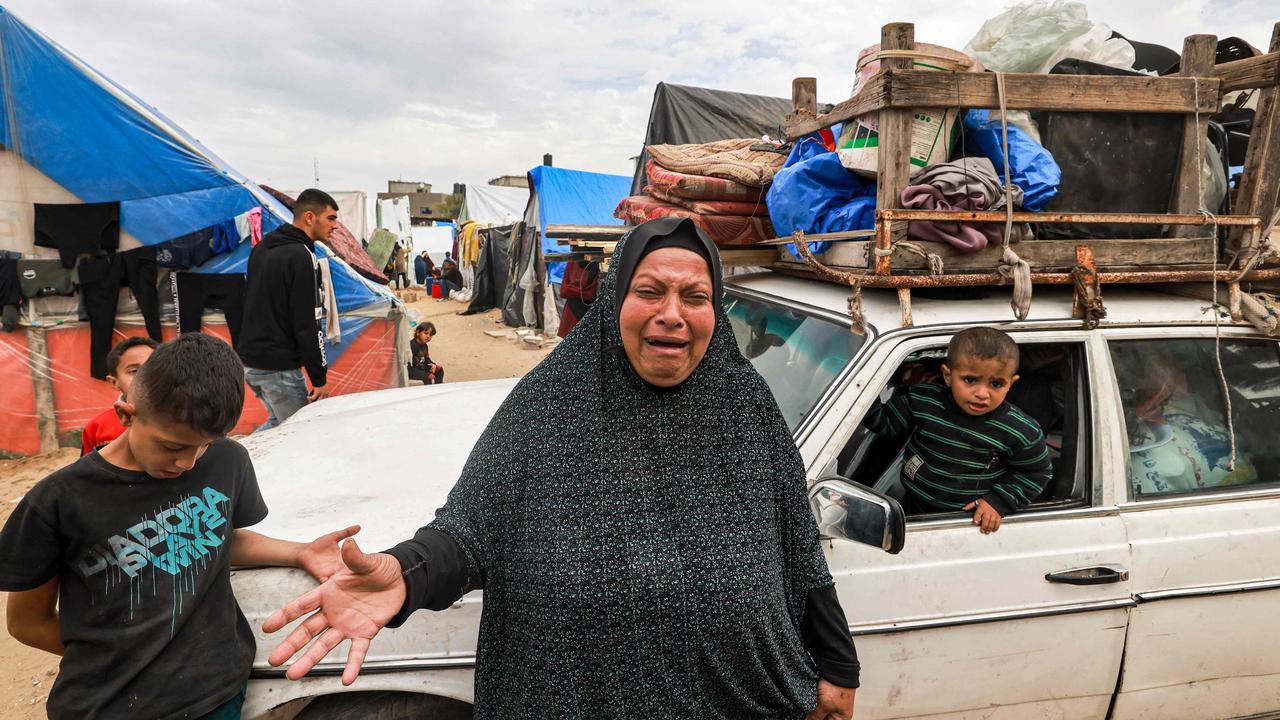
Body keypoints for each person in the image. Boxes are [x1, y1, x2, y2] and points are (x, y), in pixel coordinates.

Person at [263, 217, 860, 719]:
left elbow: (797, 546)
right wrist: (406, 574)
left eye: (695, 296)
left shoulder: (745, 407)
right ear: (615, 299)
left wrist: (837, 663)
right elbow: (471, 531)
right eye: (650, 292)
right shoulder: (554, 404)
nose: (672, 314)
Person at [0, 333, 359, 720]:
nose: (188, 462)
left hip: (215, 695)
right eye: (173, 447)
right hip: (107, 705)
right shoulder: (58, 500)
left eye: (203, 445)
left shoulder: (228, 461)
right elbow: (28, 622)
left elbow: (219, 536)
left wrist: (298, 550)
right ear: (127, 413)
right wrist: (114, 657)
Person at [863, 327, 1052, 534]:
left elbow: (1036, 472)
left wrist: (998, 501)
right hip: (912, 505)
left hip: (969, 521)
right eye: (970, 380)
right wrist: (860, 391)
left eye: (996, 384)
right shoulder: (924, 400)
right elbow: (886, 423)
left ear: (1011, 384)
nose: (982, 393)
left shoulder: (1021, 430)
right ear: (947, 375)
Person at [237, 188, 335, 432]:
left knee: (279, 425)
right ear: (310, 217)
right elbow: (307, 322)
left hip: (251, 360)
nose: (335, 226)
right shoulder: (301, 255)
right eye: (331, 218)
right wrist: (319, 377)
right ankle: (234, 465)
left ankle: (238, 462)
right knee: (299, 431)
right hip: (277, 366)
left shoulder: (263, 247)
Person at [81, 336, 158, 455]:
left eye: (153, 368)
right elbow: (88, 471)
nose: (145, 376)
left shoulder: (186, 418)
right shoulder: (97, 427)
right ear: (114, 382)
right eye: (134, 371)